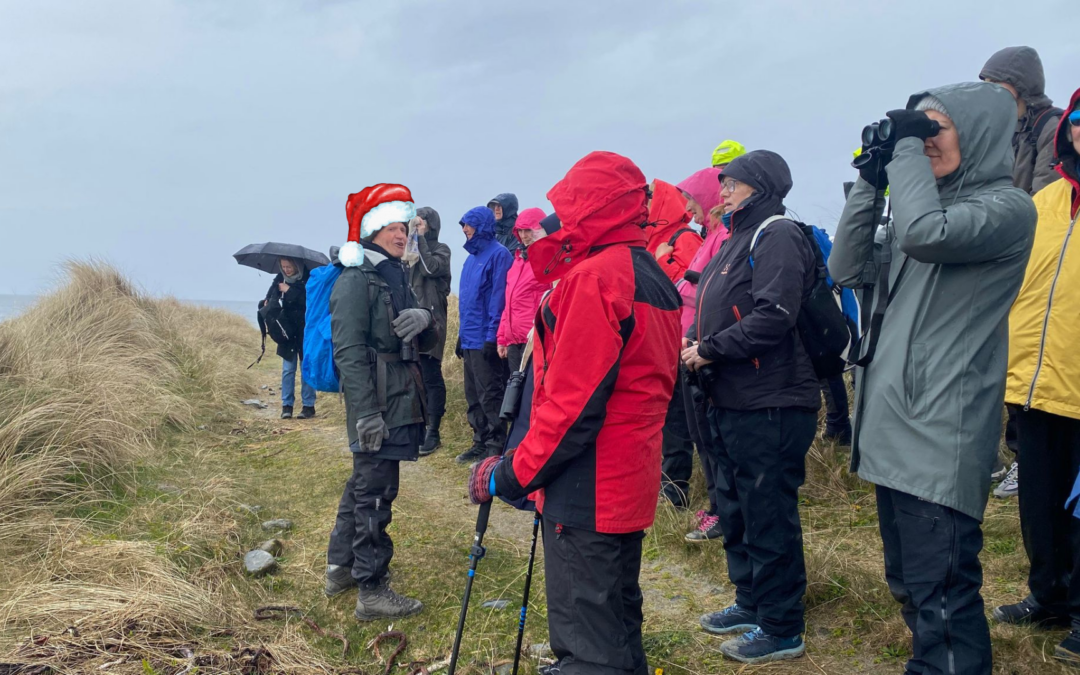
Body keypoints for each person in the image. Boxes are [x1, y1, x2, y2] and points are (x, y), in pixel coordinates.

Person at [829, 83, 1037, 674]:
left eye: (933, 129)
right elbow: (844, 267)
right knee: (912, 586)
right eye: (913, 131)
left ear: (979, 134)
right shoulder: (923, 207)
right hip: (894, 425)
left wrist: (904, 156)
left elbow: (927, 235)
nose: (919, 144)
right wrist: (872, 181)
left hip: (938, 429)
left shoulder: (1006, 208)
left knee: (943, 596)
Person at [469, 150, 682, 675]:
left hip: (588, 485)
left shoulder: (596, 279)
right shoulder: (650, 274)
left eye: (570, 205)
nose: (560, 218)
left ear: (593, 207)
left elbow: (572, 408)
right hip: (627, 477)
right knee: (615, 618)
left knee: (588, 638)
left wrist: (510, 473)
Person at [682, 150, 819, 664]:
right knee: (737, 506)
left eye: (733, 183)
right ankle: (751, 602)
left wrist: (710, 348)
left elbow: (774, 315)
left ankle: (782, 627)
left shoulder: (777, 233)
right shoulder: (738, 235)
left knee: (768, 513)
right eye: (723, 184)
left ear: (759, 187)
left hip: (773, 399)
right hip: (732, 396)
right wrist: (697, 344)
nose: (723, 192)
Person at [323, 184, 439, 621]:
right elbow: (348, 352)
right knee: (375, 492)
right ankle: (372, 588)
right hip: (378, 403)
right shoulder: (356, 280)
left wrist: (426, 319)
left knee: (362, 484)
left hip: (399, 396)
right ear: (372, 230)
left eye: (404, 226)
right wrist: (366, 412)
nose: (401, 233)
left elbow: (420, 340)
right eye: (391, 226)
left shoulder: (394, 274)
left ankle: (341, 568)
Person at [994, 89, 1080, 664]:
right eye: (1077, 120)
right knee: (1040, 502)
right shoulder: (1046, 199)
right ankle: (1048, 595)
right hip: (1030, 380)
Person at [979, 46, 1062, 499]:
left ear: (1023, 90)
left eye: (998, 86)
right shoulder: (1010, 132)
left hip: (1039, 260)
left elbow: (1046, 194)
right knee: (1011, 359)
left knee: (1030, 356)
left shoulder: (1052, 128)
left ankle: (1026, 461)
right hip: (1013, 258)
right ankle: (1016, 458)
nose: (990, 96)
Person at [644, 180, 707, 516]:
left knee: (682, 420)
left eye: (651, 197)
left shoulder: (685, 237)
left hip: (685, 343)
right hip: (664, 342)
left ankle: (677, 490)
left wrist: (662, 263)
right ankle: (669, 486)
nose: (646, 203)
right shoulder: (655, 240)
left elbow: (696, 285)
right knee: (669, 420)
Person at [456, 205, 514, 464]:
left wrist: (493, 335)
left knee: (490, 393)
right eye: (463, 225)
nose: (465, 229)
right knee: (473, 394)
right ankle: (479, 441)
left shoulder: (499, 255)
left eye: (469, 224)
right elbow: (467, 302)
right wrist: (460, 335)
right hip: (469, 337)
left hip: (484, 337)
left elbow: (498, 299)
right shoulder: (470, 259)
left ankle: (495, 444)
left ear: (482, 225)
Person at [408, 207, 452, 457]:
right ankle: (419, 428)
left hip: (432, 322)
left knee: (430, 375)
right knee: (414, 376)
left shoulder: (441, 250)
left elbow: (430, 269)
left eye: (421, 223)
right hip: (411, 322)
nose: (416, 226)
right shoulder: (410, 253)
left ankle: (433, 431)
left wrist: (421, 238)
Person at [259, 257, 316, 419]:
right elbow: (271, 296)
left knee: (306, 369)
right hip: (287, 330)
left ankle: (308, 406)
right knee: (288, 370)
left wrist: (289, 291)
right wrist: (267, 301)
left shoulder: (309, 278)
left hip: (306, 329)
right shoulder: (280, 278)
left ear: (297, 265)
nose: (287, 269)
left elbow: (310, 300)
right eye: (283, 267)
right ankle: (287, 406)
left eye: (289, 266)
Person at [496, 207, 552, 373]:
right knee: (516, 390)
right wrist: (502, 338)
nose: (523, 235)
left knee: (534, 390)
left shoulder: (548, 260)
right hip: (514, 339)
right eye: (520, 230)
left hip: (535, 337)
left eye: (528, 230)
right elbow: (509, 304)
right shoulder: (517, 262)